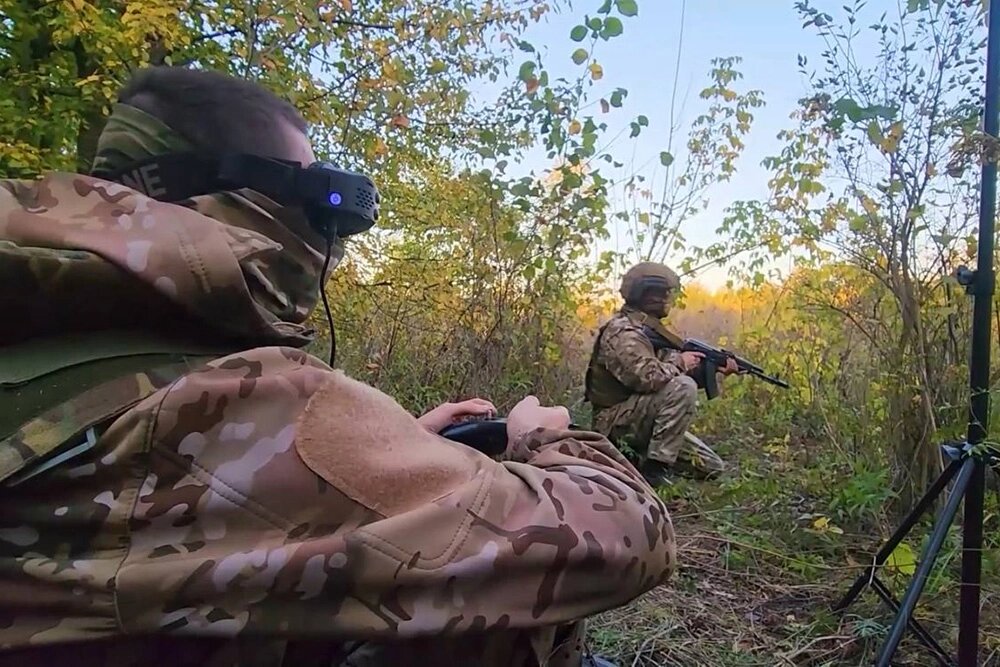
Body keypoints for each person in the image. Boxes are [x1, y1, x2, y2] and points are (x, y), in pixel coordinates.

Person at [0, 66, 676, 667]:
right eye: (322, 200)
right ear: (255, 201)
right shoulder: (227, 399)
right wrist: (544, 435)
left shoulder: (56, 332)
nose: (330, 237)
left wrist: (389, 447)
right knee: (475, 617)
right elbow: (625, 539)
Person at [584, 262, 739, 487]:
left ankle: (635, 459)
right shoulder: (624, 331)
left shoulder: (650, 331)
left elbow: (667, 379)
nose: (669, 299)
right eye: (665, 293)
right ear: (648, 294)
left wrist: (711, 369)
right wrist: (681, 362)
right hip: (613, 423)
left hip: (639, 418)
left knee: (711, 466)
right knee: (684, 385)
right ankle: (653, 474)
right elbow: (648, 378)